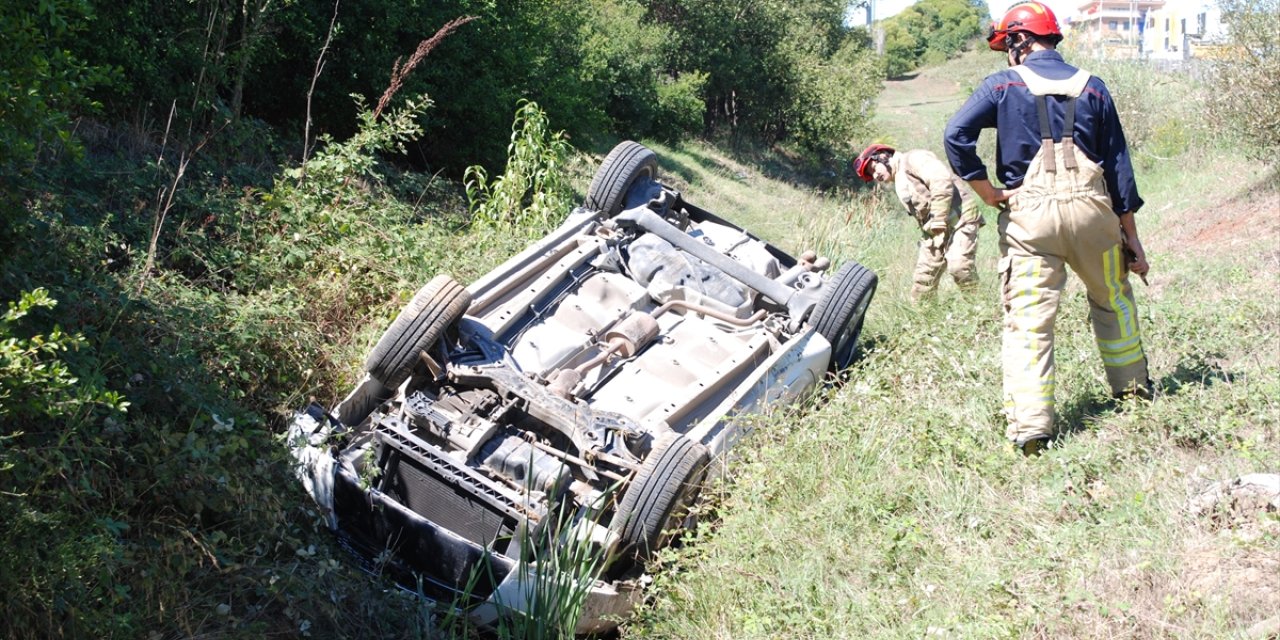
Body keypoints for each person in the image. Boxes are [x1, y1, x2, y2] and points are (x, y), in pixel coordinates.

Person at [942, 1, 1152, 456]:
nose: (1007, 54)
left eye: (1008, 44)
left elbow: (956, 135)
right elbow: (1119, 167)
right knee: (1113, 301)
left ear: (1020, 40)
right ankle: (1134, 393)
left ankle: (1032, 430)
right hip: (1094, 216)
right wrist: (1131, 237)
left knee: (1030, 324)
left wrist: (987, 192)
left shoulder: (1002, 85)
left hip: (1031, 222)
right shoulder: (1094, 87)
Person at [854, 144, 983, 300]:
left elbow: (940, 180)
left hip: (960, 219)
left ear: (883, 156)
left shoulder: (913, 158)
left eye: (874, 168)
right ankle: (926, 313)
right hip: (935, 231)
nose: (875, 175)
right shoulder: (899, 176)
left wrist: (938, 216)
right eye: (871, 174)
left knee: (959, 267)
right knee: (923, 283)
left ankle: (979, 306)